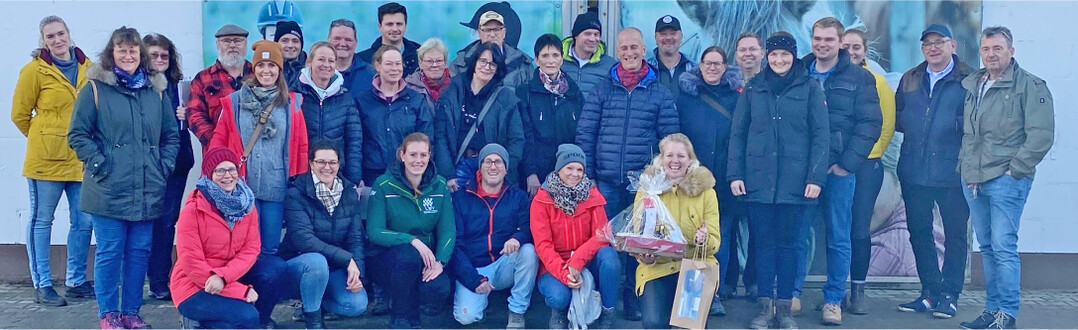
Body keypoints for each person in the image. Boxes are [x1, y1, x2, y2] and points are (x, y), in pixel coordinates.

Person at [68, 26, 180, 329]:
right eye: (122, 49)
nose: (128, 55)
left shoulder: (155, 92)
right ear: (112, 54)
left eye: (133, 50)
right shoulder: (94, 89)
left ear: (139, 55)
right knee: (110, 252)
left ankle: (131, 312)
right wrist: (99, 164)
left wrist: (163, 165)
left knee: (138, 254)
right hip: (108, 188)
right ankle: (108, 314)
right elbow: (78, 135)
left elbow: (171, 136)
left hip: (147, 188)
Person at [575, 27, 679, 320]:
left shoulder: (659, 92)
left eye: (635, 47)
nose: (630, 53)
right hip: (605, 183)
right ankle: (602, 299)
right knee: (604, 243)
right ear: (616, 52)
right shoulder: (602, 89)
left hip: (642, 186)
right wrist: (589, 176)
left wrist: (658, 180)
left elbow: (669, 140)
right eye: (624, 49)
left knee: (639, 245)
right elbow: (586, 133)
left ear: (644, 50)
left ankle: (634, 297)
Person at [728, 32, 829, 330]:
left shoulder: (811, 88)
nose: (779, 60)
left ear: (794, 56)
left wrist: (816, 177)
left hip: (797, 185)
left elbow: (820, 136)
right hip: (759, 183)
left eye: (785, 54)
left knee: (790, 247)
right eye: (774, 55)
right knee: (763, 245)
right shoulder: (753, 88)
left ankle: (784, 309)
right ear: (766, 57)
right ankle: (763, 308)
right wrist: (736, 174)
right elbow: (738, 133)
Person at [958, 26, 1055, 330]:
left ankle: (1007, 315)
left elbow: (1041, 136)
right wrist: (968, 170)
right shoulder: (974, 83)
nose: (991, 54)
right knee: (986, 247)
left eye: (997, 48)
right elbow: (971, 135)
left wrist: (1015, 171)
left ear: (1011, 51)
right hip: (974, 179)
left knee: (1003, 247)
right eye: (986, 49)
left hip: (1006, 179)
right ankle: (991, 311)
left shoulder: (1030, 86)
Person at [794, 18, 881, 325]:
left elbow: (870, 124)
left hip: (838, 170)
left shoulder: (859, 78)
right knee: (798, 233)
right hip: (803, 171)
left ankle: (833, 300)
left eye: (829, 40)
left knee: (838, 235)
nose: (822, 44)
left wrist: (846, 164)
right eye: (817, 39)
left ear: (840, 42)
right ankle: (792, 294)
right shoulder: (798, 72)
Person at [11, 15, 95, 307]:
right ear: (43, 41)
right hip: (45, 161)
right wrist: (44, 136)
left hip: (80, 161)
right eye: (50, 37)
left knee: (84, 221)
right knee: (41, 220)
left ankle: (76, 281)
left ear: (69, 34)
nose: (57, 40)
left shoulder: (90, 69)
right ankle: (43, 284)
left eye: (61, 34)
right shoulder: (34, 71)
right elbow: (19, 115)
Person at [891, 23, 972, 320]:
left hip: (952, 172)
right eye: (927, 43)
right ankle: (929, 291)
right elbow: (899, 117)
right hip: (914, 171)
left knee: (954, 236)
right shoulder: (910, 78)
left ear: (953, 45)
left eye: (939, 42)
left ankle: (950, 294)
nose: (933, 48)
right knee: (919, 233)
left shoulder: (968, 79)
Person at [209, 40, 309, 256]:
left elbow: (301, 146)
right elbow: (218, 141)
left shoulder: (292, 104)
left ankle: (267, 289)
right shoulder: (234, 102)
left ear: (279, 69)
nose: (266, 71)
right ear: (253, 69)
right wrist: (214, 177)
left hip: (276, 188)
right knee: (242, 247)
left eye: (272, 65)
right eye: (261, 66)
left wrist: (299, 183)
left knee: (270, 247)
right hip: (242, 185)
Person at [171, 147, 288, 329]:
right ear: (209, 174)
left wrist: (225, 276)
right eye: (219, 170)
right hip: (195, 286)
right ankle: (196, 322)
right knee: (246, 316)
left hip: (228, 275)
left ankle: (261, 322)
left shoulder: (246, 204)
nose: (227, 175)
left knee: (275, 268)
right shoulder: (193, 210)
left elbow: (251, 249)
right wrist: (239, 290)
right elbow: (190, 262)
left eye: (232, 169)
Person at [675, 46, 742, 316]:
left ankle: (712, 294)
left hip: (723, 180)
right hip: (689, 179)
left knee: (718, 238)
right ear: (699, 66)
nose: (712, 68)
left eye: (718, 63)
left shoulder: (737, 99)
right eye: (707, 63)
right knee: (687, 235)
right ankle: (684, 294)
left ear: (726, 67)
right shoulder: (685, 97)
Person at [632, 133, 721, 329]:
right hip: (657, 267)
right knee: (654, 322)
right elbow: (638, 235)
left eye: (681, 156)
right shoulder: (647, 190)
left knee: (687, 326)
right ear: (660, 159)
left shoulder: (707, 192)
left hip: (695, 266)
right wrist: (644, 256)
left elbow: (715, 242)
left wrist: (704, 240)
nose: (675, 161)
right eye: (669, 155)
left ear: (691, 160)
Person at [367, 132, 454, 329]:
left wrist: (440, 262)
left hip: (427, 258)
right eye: (413, 155)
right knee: (409, 256)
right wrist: (411, 240)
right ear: (402, 155)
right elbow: (374, 231)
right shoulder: (383, 184)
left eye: (423, 155)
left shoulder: (440, 184)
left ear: (430, 156)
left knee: (439, 289)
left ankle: (412, 309)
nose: (418, 160)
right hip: (388, 258)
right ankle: (400, 317)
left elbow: (448, 230)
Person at [279, 142, 369, 329]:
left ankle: (313, 302)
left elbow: (355, 237)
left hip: (334, 267)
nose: (327, 167)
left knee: (356, 304)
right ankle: (314, 322)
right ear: (311, 163)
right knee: (316, 262)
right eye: (321, 162)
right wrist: (347, 259)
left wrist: (357, 270)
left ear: (339, 164)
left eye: (332, 162)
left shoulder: (348, 193)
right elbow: (304, 240)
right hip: (300, 265)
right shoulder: (296, 193)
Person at [531, 144, 621, 329]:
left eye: (579, 169)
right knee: (558, 296)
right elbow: (543, 245)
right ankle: (560, 313)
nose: (575, 173)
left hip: (587, 259)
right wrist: (566, 274)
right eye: (569, 168)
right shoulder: (542, 199)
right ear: (559, 169)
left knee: (610, 258)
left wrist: (577, 261)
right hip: (554, 264)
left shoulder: (592, 195)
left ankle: (607, 314)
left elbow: (602, 235)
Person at [448, 144, 537, 328]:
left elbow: (529, 228)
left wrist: (517, 238)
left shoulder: (518, 197)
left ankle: (517, 311)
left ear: (506, 168)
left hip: (504, 263)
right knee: (466, 317)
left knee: (529, 252)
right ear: (480, 167)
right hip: (474, 268)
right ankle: (481, 299)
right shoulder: (461, 198)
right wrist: (473, 279)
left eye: (498, 162)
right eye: (488, 161)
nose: (493, 166)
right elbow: (454, 246)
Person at [839, 28, 896, 316]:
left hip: (866, 166)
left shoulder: (878, 82)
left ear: (865, 51)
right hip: (836, 166)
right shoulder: (831, 80)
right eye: (846, 45)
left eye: (856, 46)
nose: (851, 51)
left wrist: (867, 156)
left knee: (859, 228)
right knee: (836, 229)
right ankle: (835, 290)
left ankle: (858, 290)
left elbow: (885, 128)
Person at [142, 32, 196, 301]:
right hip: (145, 165)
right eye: (154, 55)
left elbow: (197, 120)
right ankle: (139, 278)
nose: (160, 59)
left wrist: (189, 114)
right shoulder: (138, 85)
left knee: (166, 223)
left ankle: (160, 282)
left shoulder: (179, 86)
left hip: (176, 164)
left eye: (165, 55)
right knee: (142, 223)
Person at [434, 41, 525, 192]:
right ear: (475, 61)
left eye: (493, 64)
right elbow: (441, 136)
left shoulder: (506, 98)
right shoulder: (453, 92)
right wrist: (448, 173)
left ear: (497, 69)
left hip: (492, 170)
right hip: (458, 168)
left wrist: (503, 170)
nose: (487, 67)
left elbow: (516, 140)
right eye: (483, 61)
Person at [723, 32, 765, 300]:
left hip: (761, 166)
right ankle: (728, 280)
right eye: (742, 50)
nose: (747, 54)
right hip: (732, 164)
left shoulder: (769, 84)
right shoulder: (727, 87)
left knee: (758, 227)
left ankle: (752, 279)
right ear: (735, 55)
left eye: (753, 49)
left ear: (762, 53)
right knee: (730, 223)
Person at [517, 34, 584, 196]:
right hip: (537, 177)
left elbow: (582, 134)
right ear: (536, 59)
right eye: (545, 56)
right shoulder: (525, 92)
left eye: (555, 55)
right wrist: (530, 173)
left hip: (568, 175)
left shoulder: (574, 94)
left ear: (561, 59)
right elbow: (524, 136)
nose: (550, 61)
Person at [358, 45, 435, 185]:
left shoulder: (416, 100)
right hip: (372, 175)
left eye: (398, 64)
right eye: (389, 64)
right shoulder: (363, 101)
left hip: (408, 175)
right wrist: (357, 176)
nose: (395, 68)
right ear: (377, 65)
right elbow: (356, 142)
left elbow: (427, 138)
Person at [294, 41, 363, 186]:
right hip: (300, 177)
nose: (326, 64)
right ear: (310, 61)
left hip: (335, 176)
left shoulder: (345, 99)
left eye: (331, 61)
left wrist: (353, 179)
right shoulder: (294, 93)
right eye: (321, 59)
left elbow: (354, 142)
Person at [188, 24, 253, 147]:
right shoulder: (202, 78)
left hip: (253, 152)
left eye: (238, 41)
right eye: (226, 41)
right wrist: (217, 143)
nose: (232, 45)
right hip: (217, 154)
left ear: (246, 45)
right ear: (217, 45)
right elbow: (195, 115)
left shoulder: (258, 75)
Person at [449, 6, 534, 87]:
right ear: (479, 33)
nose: (492, 34)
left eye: (497, 29)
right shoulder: (460, 63)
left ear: (504, 32)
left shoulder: (523, 64)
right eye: (487, 30)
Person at [559, 7, 616, 95]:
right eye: (587, 34)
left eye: (596, 34)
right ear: (575, 36)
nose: (592, 39)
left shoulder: (610, 65)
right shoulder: (558, 60)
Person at [357, 2, 421, 75]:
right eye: (389, 24)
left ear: (405, 26)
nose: (394, 29)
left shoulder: (420, 54)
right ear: (380, 27)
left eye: (399, 24)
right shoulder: (363, 60)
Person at [647, 15, 696, 99]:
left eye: (673, 33)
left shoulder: (694, 70)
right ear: (656, 38)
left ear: (681, 37)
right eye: (663, 34)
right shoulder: (646, 69)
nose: (668, 38)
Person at [327, 19, 376, 96]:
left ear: (356, 43)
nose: (342, 44)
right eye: (337, 39)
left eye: (348, 40)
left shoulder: (371, 75)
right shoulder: (316, 72)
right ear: (328, 41)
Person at [404, 37, 451, 111]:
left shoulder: (457, 85)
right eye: (429, 61)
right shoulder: (408, 87)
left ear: (445, 62)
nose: (434, 65)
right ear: (420, 63)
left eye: (439, 61)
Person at [275, 20, 306, 90]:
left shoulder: (311, 70)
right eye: (285, 41)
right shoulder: (268, 70)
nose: (290, 45)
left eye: (295, 41)